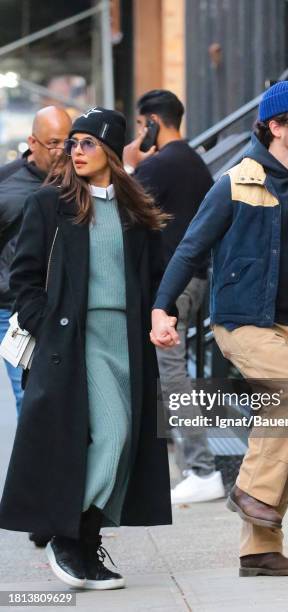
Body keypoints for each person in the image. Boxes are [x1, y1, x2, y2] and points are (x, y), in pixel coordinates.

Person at [150, 81, 288, 577]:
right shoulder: (234, 182)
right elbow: (190, 248)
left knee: (286, 431)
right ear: (275, 127)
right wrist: (163, 308)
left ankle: (259, 550)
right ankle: (248, 491)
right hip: (242, 323)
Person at [0, 107, 172, 590]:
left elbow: (156, 278)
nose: (76, 151)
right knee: (112, 434)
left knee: (124, 446)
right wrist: (48, 327)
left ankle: (85, 543)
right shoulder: (49, 204)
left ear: (111, 152)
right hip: (77, 340)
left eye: (88, 143)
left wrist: (164, 316)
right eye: (73, 143)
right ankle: (65, 535)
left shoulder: (136, 209)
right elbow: (24, 278)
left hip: (129, 342)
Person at [124, 89, 225, 504]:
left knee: (171, 373)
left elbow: (120, 209)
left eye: (140, 124)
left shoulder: (162, 165)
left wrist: (130, 165)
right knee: (165, 371)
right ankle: (183, 460)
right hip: (193, 279)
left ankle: (201, 468)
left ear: (152, 122)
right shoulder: (195, 162)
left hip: (173, 285)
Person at [0, 106, 72, 418]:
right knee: (30, 400)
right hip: (15, 310)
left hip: (69, 308)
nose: (62, 151)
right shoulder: (6, 184)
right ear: (33, 142)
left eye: (68, 142)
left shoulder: (80, 178)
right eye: (53, 143)